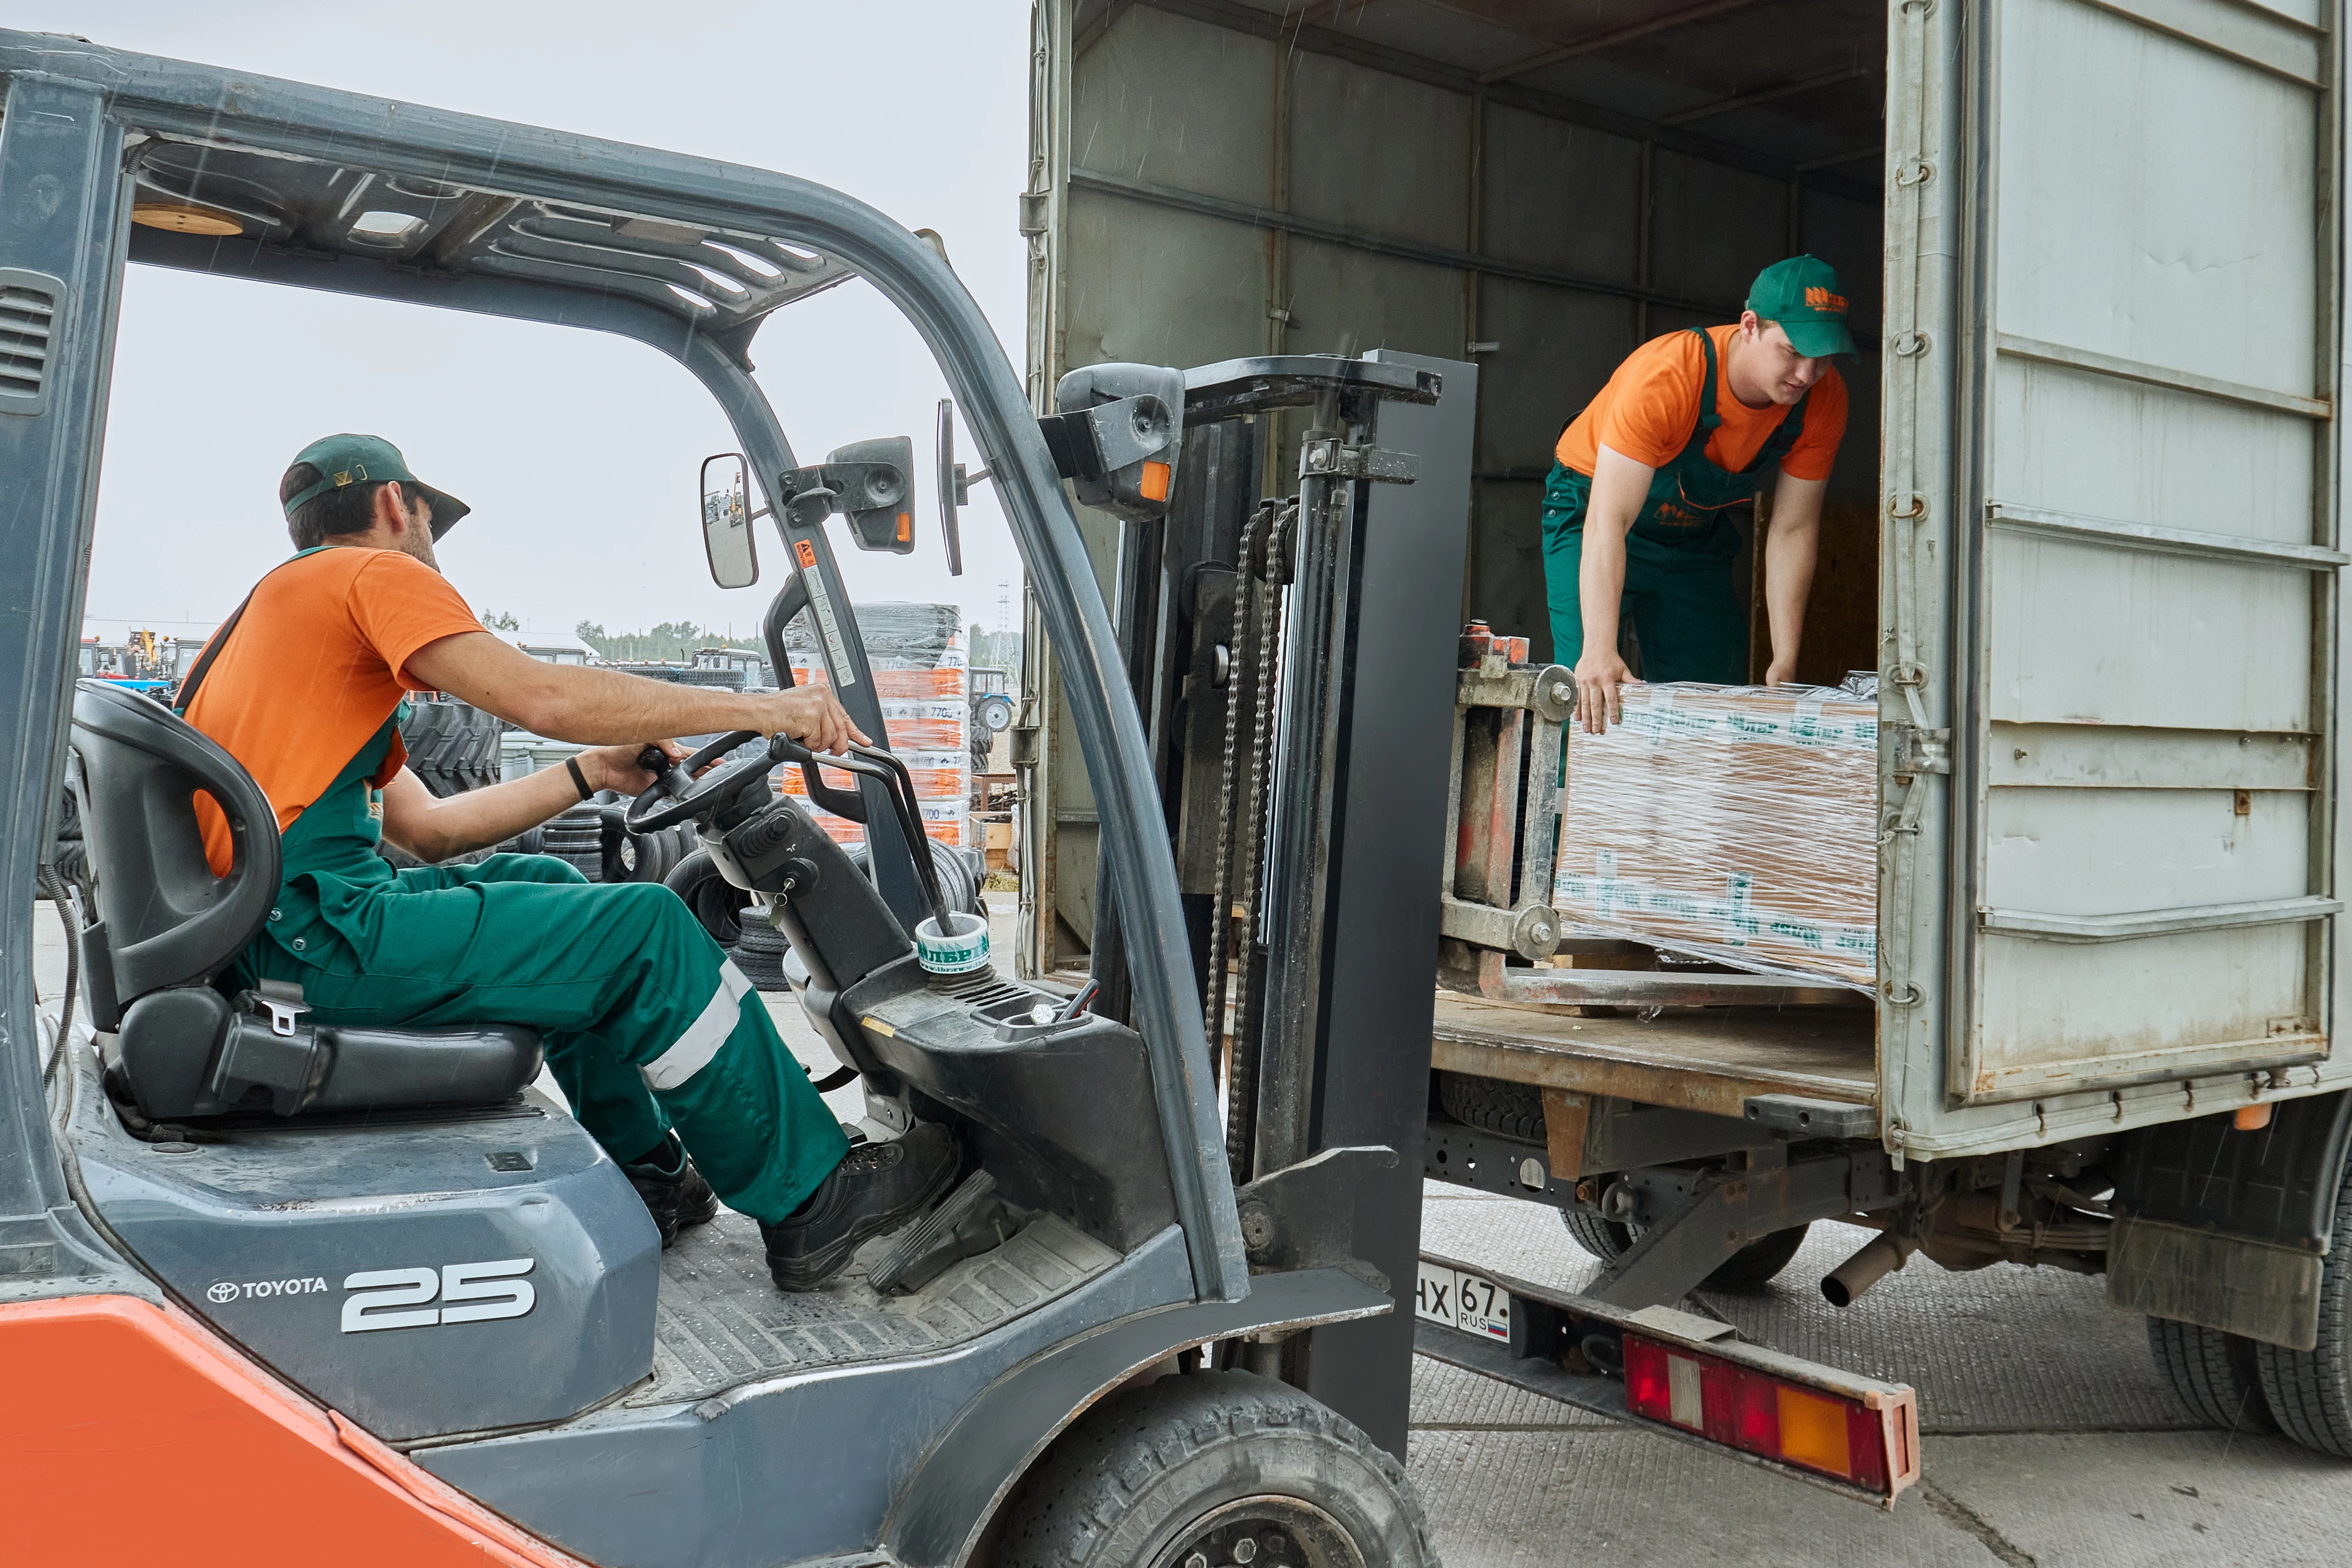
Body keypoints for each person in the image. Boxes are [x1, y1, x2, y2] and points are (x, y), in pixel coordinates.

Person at [180, 433, 958, 1291]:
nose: (432, 544)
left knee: (553, 887)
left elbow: (431, 832)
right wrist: (768, 704)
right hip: (315, 936)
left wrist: (591, 772)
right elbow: (540, 694)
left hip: (283, 927)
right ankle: (811, 1196)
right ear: (396, 506)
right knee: (648, 929)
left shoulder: (270, 624)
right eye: (431, 520)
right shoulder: (369, 573)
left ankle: (649, 1172)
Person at [1540, 255, 1855, 734]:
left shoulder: (1823, 399)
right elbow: (1608, 521)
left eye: (1824, 357)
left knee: (1711, 706)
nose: (1807, 374)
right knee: (1591, 690)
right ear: (1750, 326)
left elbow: (1793, 527)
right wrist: (1601, 647)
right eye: (1793, 351)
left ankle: (1683, 810)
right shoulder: (1668, 376)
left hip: (1691, 534)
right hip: (1593, 511)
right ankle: (1581, 809)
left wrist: (1785, 659)